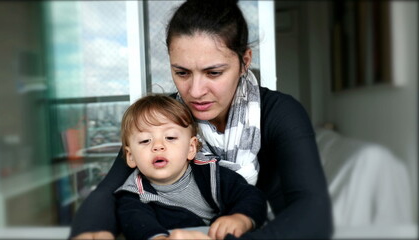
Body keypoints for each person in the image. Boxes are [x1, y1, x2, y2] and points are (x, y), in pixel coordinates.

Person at [70, 0, 333, 239]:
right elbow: (107, 191)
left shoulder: (280, 112)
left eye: (214, 72)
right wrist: (92, 231)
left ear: (244, 61)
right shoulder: (164, 119)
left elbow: (314, 212)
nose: (195, 92)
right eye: (182, 72)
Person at [114, 94, 267, 240]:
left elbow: (251, 196)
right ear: (131, 156)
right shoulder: (134, 195)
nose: (158, 146)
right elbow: (136, 225)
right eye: (145, 140)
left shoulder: (211, 172)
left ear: (191, 148)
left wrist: (240, 218)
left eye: (170, 137)